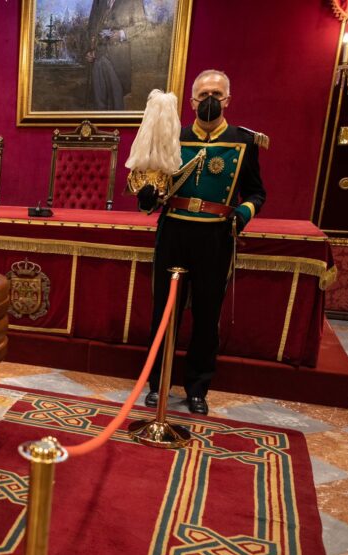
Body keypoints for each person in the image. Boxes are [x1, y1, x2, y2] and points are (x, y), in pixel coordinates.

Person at [141, 70, 267, 415]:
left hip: (215, 235)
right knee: (163, 314)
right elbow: (153, 191)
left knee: (207, 314)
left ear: (228, 99)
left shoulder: (244, 142)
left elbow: (257, 191)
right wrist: (147, 196)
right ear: (192, 100)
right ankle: (157, 384)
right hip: (175, 232)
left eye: (216, 93)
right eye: (202, 94)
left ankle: (197, 387)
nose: (209, 99)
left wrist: (241, 214)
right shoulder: (174, 138)